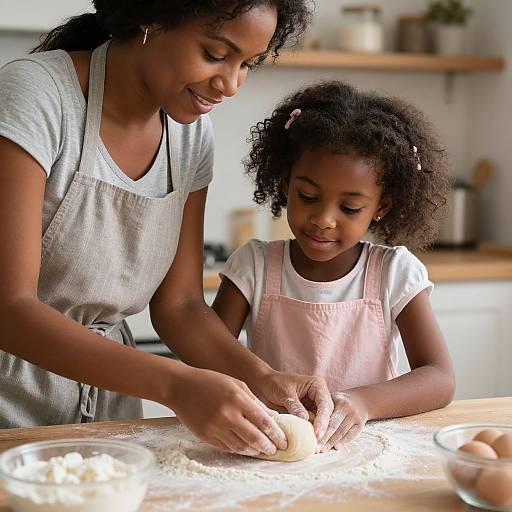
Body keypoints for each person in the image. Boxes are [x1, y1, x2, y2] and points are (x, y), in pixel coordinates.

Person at [0, 0, 335, 457]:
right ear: (152, 17)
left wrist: (262, 378)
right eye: (216, 54)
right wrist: (176, 386)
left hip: (107, 412)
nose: (231, 84)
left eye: (247, 64)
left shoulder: (191, 135)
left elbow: (179, 306)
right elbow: (10, 308)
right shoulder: (37, 94)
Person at [212, 81, 456, 453]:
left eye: (350, 207)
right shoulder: (255, 266)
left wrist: (363, 402)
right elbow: (208, 359)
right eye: (308, 197)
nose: (324, 219)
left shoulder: (392, 272)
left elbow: (439, 378)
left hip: (366, 447)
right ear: (284, 184)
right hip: (269, 449)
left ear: (381, 207)